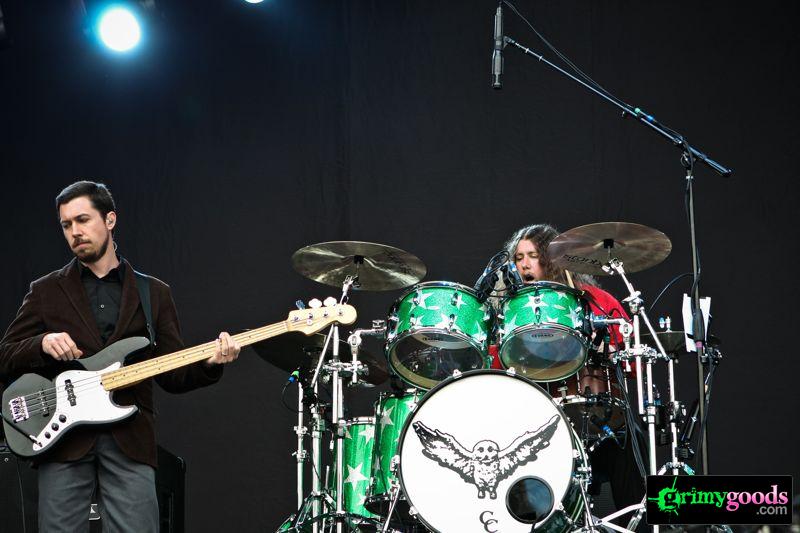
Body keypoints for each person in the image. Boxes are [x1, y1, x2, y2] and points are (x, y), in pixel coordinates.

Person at [0, 181, 241, 533]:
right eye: (66, 225)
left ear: (110, 219)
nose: (75, 232)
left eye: (83, 220)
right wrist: (41, 343)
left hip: (129, 439)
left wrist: (210, 364)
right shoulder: (46, 290)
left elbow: (172, 373)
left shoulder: (154, 293)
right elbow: (5, 355)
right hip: (63, 441)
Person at [498, 223, 645, 512]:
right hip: (534, 417)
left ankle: (635, 522)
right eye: (519, 258)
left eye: (533, 256)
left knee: (631, 440)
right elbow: (495, 364)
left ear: (552, 260)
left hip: (597, 410)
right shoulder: (508, 309)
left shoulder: (594, 300)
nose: (524, 264)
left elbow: (634, 359)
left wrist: (607, 349)